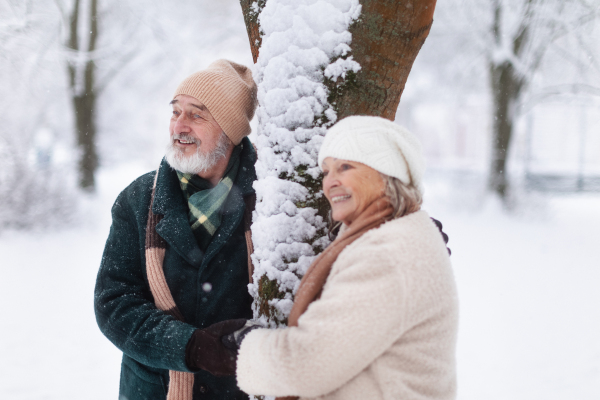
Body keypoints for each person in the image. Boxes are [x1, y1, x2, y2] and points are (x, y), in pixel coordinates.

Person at [221, 115, 459, 400]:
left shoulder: (386, 254)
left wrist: (242, 347)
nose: (330, 182)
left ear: (386, 174)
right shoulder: (397, 236)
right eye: (326, 171)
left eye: (345, 167)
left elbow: (306, 366)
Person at [94, 59, 259, 400]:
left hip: (244, 390)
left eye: (196, 115)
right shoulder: (139, 200)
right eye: (176, 112)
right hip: (153, 390)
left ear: (229, 131)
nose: (179, 126)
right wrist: (191, 347)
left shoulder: (269, 200)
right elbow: (114, 304)